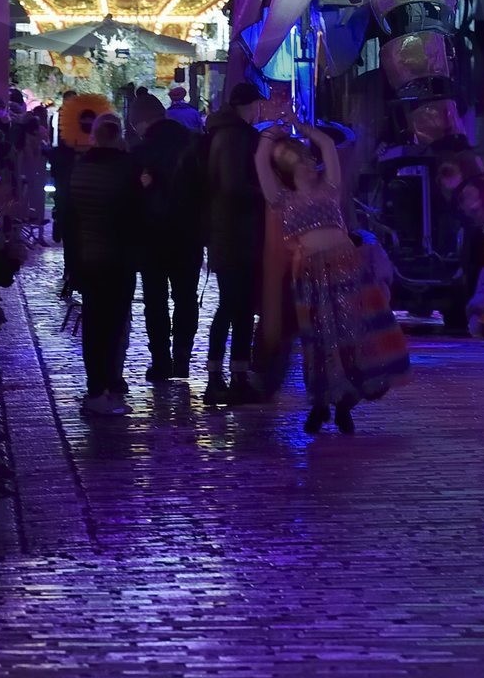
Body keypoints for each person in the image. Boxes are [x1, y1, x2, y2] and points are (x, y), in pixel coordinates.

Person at [254, 118, 407, 434]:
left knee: (352, 336)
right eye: (303, 164)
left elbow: (326, 146)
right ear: (289, 172)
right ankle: (321, 404)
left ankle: (345, 404)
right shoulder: (280, 199)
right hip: (312, 277)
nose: (311, 166)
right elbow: (260, 160)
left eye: (310, 161)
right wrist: (271, 134)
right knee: (320, 342)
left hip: (346, 270)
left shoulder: (331, 188)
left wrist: (301, 125)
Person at [63, 113, 141, 417]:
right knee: (114, 325)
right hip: (118, 259)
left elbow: (70, 219)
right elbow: (135, 214)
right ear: (119, 134)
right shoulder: (125, 170)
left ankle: (95, 388)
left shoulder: (79, 169)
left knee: (94, 326)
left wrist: (73, 263)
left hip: (88, 259)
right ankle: (107, 386)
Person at [128, 89, 206, 384]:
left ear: (140, 123)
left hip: (152, 237)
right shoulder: (193, 144)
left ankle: (161, 361)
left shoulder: (139, 151)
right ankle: (183, 359)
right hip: (189, 233)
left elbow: (131, 196)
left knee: (155, 301)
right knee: (186, 298)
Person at [203, 79, 265, 408]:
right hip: (236, 236)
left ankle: (234, 376)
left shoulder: (222, 134)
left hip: (229, 235)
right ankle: (219, 379)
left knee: (237, 308)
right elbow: (233, 186)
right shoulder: (236, 137)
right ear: (248, 105)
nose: (259, 111)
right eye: (257, 105)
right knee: (233, 307)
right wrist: (267, 195)